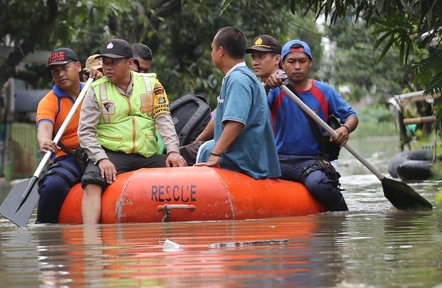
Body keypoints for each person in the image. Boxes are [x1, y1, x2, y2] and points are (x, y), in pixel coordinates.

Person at [77, 39, 186, 224]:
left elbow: (163, 118)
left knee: (181, 171)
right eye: (105, 62)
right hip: (111, 154)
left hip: (147, 153)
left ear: (129, 63)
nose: (108, 67)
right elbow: (85, 132)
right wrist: (101, 159)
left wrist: (173, 151)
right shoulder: (96, 90)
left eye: (114, 62)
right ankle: (91, 241)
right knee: (92, 183)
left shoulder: (152, 83)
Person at [268, 39, 358, 211]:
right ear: (281, 64)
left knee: (319, 185)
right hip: (277, 160)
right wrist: (266, 86)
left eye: (302, 61)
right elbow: (257, 110)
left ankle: (342, 217)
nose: (297, 67)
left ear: (310, 63)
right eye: (291, 61)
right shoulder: (273, 90)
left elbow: (351, 116)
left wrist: (345, 128)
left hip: (309, 162)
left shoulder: (324, 91)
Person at [195, 28, 280, 179]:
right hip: (240, 155)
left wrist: (215, 154)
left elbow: (236, 121)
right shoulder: (240, 77)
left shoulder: (238, 80)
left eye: (212, 48)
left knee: (174, 158)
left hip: (240, 161)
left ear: (220, 51)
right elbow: (217, 120)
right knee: (191, 148)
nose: (211, 53)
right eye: (254, 57)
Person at [35, 48, 86, 223]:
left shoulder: (94, 91)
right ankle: (44, 228)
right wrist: (44, 142)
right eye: (55, 71)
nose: (60, 74)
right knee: (52, 185)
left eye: (65, 68)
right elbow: (44, 128)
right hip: (69, 157)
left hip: (101, 151)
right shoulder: (49, 101)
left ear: (78, 66)